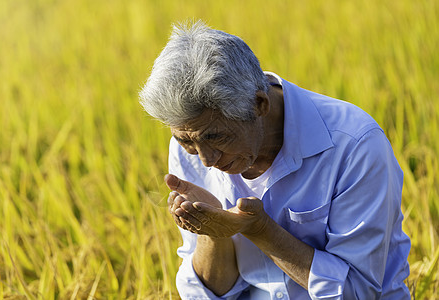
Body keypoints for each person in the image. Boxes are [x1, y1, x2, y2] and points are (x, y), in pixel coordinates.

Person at [139, 21, 411, 300]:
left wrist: (260, 230)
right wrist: (213, 233)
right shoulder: (193, 138)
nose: (206, 160)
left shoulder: (354, 145)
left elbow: (359, 291)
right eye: (186, 141)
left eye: (217, 137)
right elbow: (204, 294)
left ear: (259, 105)